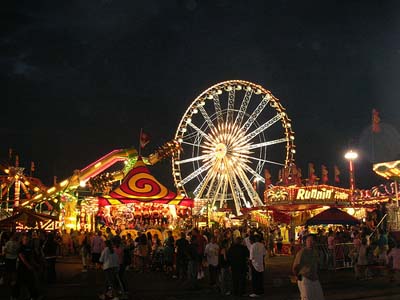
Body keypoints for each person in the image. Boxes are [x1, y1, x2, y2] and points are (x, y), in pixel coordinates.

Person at [292, 235, 325, 300]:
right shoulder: (302, 252)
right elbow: (295, 266)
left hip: (314, 277)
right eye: (308, 240)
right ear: (305, 242)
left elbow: (318, 263)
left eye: (312, 240)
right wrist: (297, 275)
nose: (310, 242)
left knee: (319, 297)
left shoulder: (315, 252)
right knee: (307, 297)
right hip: (305, 278)